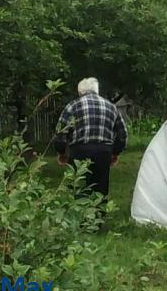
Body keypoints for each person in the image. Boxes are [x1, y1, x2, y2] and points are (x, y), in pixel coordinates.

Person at [55, 78, 128, 215]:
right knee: (100, 186)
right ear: (97, 90)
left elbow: (61, 132)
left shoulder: (72, 106)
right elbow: (122, 134)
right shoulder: (111, 107)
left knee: (80, 184)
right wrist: (115, 152)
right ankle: (97, 219)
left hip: (79, 151)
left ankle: (81, 218)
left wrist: (61, 152)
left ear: (80, 92)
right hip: (103, 151)